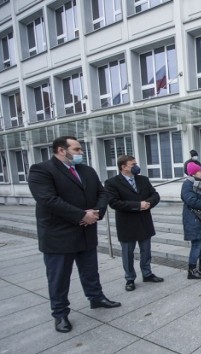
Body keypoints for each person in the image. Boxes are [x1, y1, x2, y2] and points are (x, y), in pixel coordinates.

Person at [27, 136, 121, 333]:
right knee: (59, 277)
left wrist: (96, 213)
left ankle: (96, 298)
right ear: (62, 150)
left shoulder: (86, 170)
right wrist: (81, 215)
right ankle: (60, 313)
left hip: (86, 231)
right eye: (77, 149)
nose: (81, 153)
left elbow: (102, 193)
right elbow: (48, 199)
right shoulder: (42, 170)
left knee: (90, 269)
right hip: (59, 235)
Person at [105, 155, 164, 292]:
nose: (136, 167)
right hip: (127, 224)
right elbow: (114, 203)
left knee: (146, 251)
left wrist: (148, 203)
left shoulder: (143, 180)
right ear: (123, 167)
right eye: (133, 164)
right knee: (127, 253)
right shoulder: (111, 183)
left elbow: (155, 195)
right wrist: (137, 205)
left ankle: (147, 274)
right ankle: (130, 278)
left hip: (144, 221)